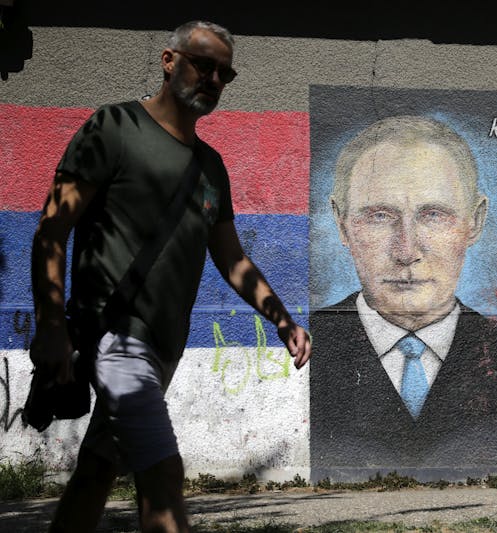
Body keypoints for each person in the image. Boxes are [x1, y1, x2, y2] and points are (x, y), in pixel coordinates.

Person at [29, 20, 310, 532]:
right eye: (204, 65)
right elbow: (52, 230)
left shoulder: (211, 168)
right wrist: (50, 324)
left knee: (95, 473)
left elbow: (233, 260)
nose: (213, 79)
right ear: (168, 60)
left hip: (165, 348)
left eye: (224, 73)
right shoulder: (112, 127)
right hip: (115, 337)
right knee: (163, 475)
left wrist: (283, 320)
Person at [309, 115, 497, 479]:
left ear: (475, 222)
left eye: (433, 215)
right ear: (342, 223)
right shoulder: (305, 346)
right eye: (379, 216)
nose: (406, 250)